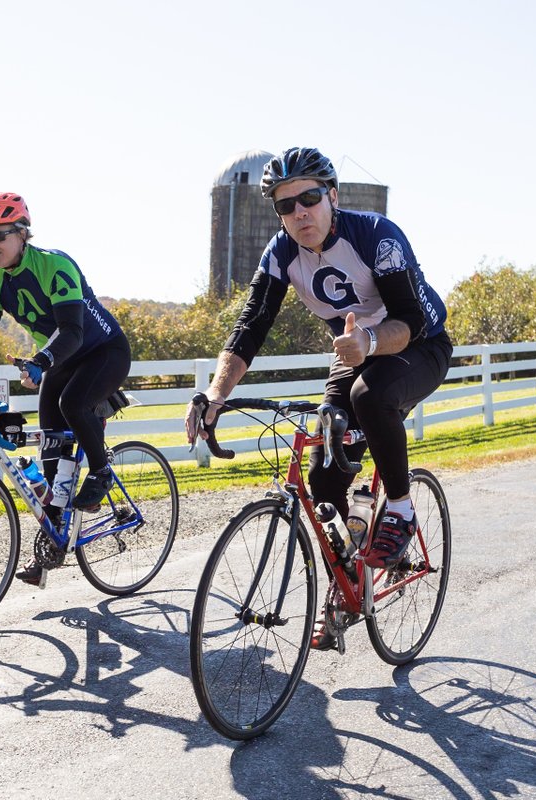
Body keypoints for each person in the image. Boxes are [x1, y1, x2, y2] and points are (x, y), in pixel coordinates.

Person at [184, 147, 452, 648]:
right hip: (353, 351)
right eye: (286, 206)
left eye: (309, 198)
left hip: (416, 344)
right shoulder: (281, 254)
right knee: (325, 471)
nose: (299, 212)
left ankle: (399, 507)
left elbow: (411, 321)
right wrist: (215, 395)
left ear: (332, 196)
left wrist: (368, 343)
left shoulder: (376, 236)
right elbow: (249, 330)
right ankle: (343, 586)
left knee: (371, 397)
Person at [0, 191, 132, 585]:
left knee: (72, 404)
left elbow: (72, 331)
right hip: (60, 359)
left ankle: (100, 472)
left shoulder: (54, 264)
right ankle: (53, 543)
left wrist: (41, 362)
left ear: (21, 233)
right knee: (50, 447)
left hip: (104, 352)